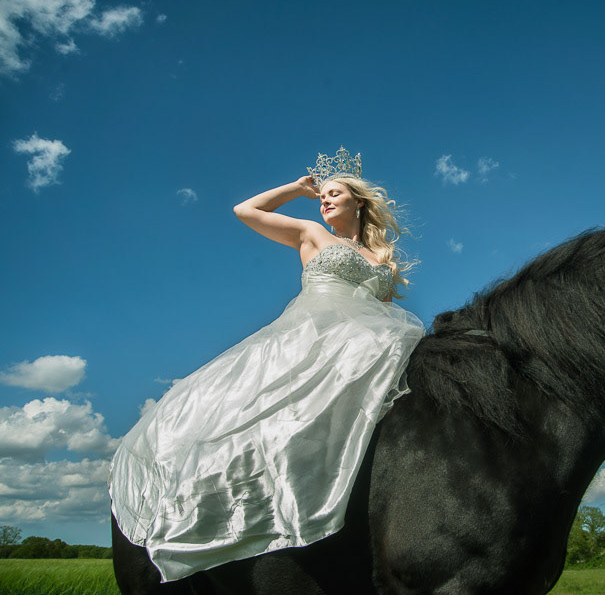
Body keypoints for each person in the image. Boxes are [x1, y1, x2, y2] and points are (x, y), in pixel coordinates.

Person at [108, 147, 425, 582]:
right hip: (313, 333)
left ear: (360, 202)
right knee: (260, 414)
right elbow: (246, 209)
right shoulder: (312, 232)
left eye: (335, 194)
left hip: (367, 340)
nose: (325, 200)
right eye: (323, 195)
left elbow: (384, 310)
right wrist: (296, 190)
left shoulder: (383, 258)